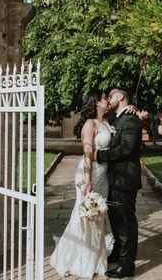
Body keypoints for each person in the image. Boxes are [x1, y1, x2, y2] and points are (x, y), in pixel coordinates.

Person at [50, 91, 114, 278]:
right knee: (85, 216)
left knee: (98, 216)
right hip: (89, 173)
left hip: (103, 175)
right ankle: (79, 258)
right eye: (104, 98)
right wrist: (87, 180)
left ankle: (95, 258)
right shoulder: (90, 124)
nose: (107, 100)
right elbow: (87, 152)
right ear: (96, 103)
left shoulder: (106, 123)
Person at [95, 88, 142, 278]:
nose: (109, 99)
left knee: (125, 223)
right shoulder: (119, 118)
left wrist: (101, 156)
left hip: (126, 180)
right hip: (114, 179)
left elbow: (127, 148)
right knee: (114, 217)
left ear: (121, 97)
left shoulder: (130, 118)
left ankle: (127, 265)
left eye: (111, 95)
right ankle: (118, 251)